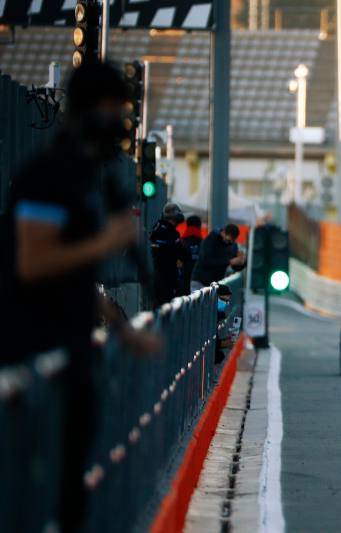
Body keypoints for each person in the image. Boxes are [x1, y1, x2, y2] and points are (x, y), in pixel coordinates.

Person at [4, 61, 158, 532]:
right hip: (34, 354)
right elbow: (32, 263)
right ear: (92, 108)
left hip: (71, 353)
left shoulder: (93, 175)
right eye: (116, 107)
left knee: (75, 492)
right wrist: (107, 242)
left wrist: (119, 321)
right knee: (36, 496)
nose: (122, 120)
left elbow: (73, 274)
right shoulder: (48, 174)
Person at [149, 202, 189, 304]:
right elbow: (181, 252)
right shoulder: (166, 232)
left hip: (163, 276)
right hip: (166, 277)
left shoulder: (159, 229)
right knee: (166, 308)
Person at [190, 223, 245, 291]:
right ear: (223, 233)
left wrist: (241, 262)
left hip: (215, 284)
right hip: (200, 281)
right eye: (228, 239)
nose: (229, 242)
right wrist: (229, 261)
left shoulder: (232, 245)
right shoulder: (211, 240)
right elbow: (207, 260)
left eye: (231, 241)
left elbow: (234, 266)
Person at [181, 215, 203, 292]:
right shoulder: (204, 243)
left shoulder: (181, 242)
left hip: (183, 280)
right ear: (199, 226)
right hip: (199, 281)